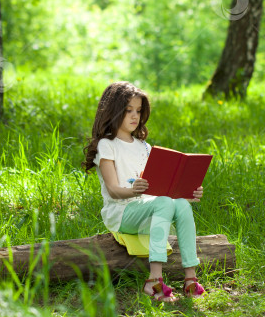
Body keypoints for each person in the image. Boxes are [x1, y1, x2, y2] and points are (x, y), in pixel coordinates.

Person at [82, 81, 206, 303]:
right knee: (166, 203)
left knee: (181, 205)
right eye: (128, 110)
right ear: (113, 111)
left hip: (149, 208)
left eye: (138, 111)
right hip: (121, 213)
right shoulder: (107, 145)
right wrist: (133, 191)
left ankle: (190, 278)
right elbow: (112, 191)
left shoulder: (144, 147)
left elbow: (161, 190)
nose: (134, 116)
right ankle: (154, 280)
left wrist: (187, 193)